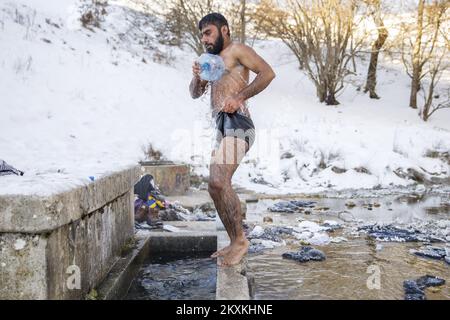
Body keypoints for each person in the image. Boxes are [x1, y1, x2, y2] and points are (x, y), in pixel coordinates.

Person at [189, 13, 275, 266]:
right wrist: (197, 76)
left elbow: (268, 73)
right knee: (214, 186)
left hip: (239, 122)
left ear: (224, 30)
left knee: (217, 179)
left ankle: (240, 241)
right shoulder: (211, 61)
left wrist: (239, 97)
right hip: (222, 127)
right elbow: (195, 94)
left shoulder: (237, 50)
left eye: (208, 32)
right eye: (202, 34)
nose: (204, 39)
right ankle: (233, 240)